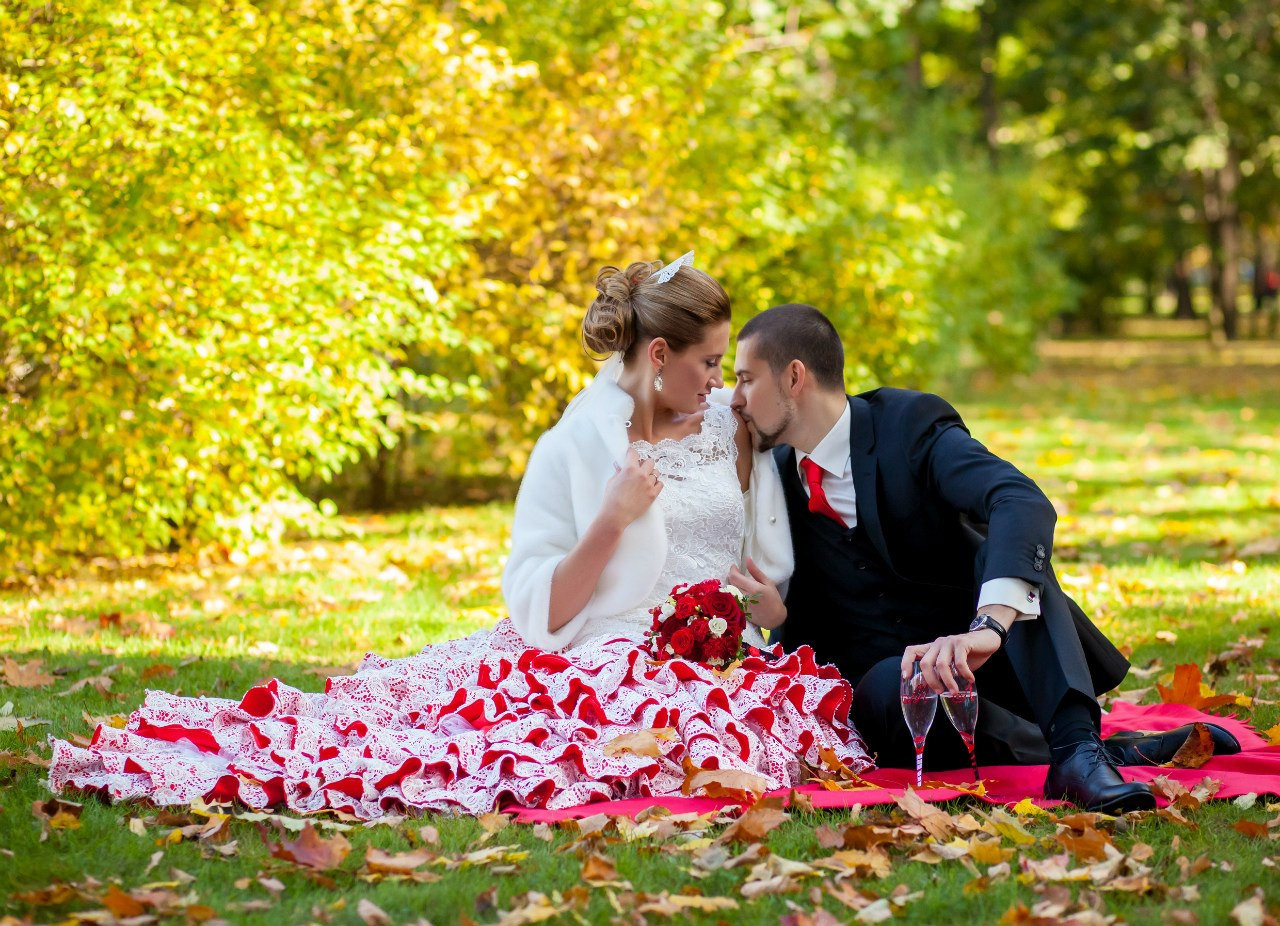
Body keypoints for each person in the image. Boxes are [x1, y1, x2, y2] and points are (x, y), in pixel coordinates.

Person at [48, 260, 870, 818]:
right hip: (597, 650)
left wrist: (754, 599)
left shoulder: (721, 423)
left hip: (711, 652)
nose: (724, 384)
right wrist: (613, 518)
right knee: (623, 751)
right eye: (710, 365)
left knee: (795, 731)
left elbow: (776, 473)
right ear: (658, 357)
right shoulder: (579, 446)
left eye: (731, 367)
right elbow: (547, 611)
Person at [728, 303, 1240, 814]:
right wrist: (777, 613)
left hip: (985, 658)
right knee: (891, 688)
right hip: (881, 688)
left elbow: (1018, 499)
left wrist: (988, 627)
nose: (736, 399)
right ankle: (1103, 752)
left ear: (795, 377)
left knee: (1009, 555)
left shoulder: (908, 426)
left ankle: (1077, 749)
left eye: (746, 379)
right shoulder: (770, 474)